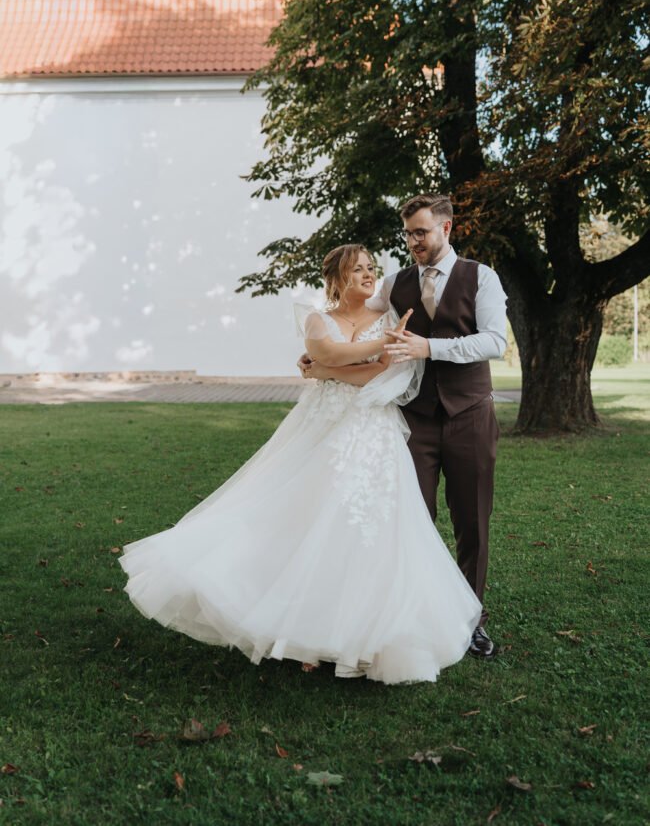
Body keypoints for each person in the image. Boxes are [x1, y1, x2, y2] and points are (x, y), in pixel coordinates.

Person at [118, 243, 482, 684]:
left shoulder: (387, 317)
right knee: (308, 519)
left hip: (372, 431)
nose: (369, 274)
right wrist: (349, 356)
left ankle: (362, 635)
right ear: (337, 278)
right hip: (323, 427)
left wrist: (332, 369)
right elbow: (326, 352)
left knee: (368, 529)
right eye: (358, 269)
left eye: (371, 267)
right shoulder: (316, 319)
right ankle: (302, 632)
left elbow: (381, 371)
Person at [378, 194, 507, 658]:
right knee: (414, 518)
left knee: (472, 521)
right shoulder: (393, 283)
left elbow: (495, 342)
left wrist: (430, 348)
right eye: (408, 233)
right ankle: (419, 614)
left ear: (446, 228)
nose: (413, 241)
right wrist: (320, 349)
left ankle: (471, 619)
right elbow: (353, 315)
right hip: (415, 418)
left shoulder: (481, 277)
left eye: (421, 232)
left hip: (470, 414)